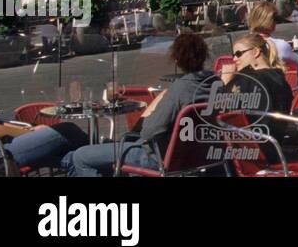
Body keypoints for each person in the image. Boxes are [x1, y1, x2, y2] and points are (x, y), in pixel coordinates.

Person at [64, 33, 213, 176]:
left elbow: (149, 131)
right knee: (84, 157)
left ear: (177, 60)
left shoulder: (179, 89)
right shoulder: (215, 85)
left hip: (157, 157)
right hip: (195, 155)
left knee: (80, 157)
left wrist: (150, 114)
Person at [218, 31, 294, 114]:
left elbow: (220, 109)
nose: (234, 59)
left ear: (256, 52)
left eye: (238, 54)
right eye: (234, 55)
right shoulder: (277, 75)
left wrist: (225, 82)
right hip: (280, 125)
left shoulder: (248, 80)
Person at [247, 0, 298, 64]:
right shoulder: (280, 45)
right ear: (270, 21)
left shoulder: (243, 45)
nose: (276, 22)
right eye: (275, 18)